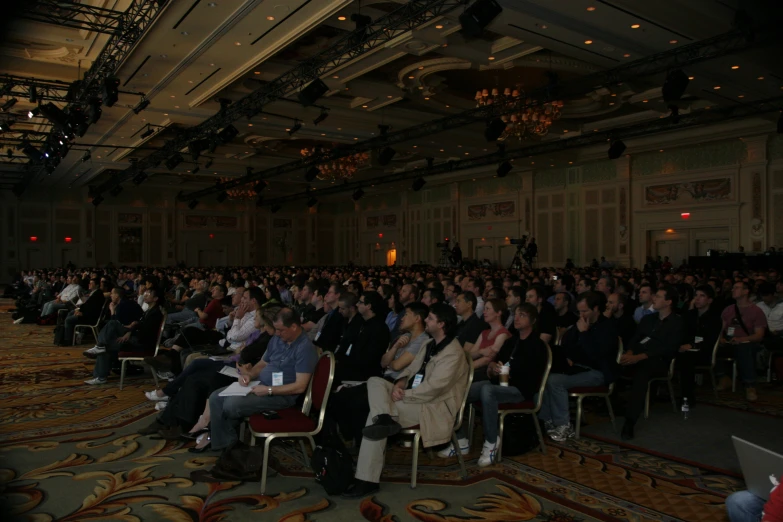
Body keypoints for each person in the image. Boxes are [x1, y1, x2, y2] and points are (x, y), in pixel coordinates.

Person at [342, 303, 469, 498]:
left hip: (433, 407)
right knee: (375, 381)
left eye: (431, 318)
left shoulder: (453, 353)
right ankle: (384, 417)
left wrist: (402, 394)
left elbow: (433, 390)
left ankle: (366, 479)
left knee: (373, 418)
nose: (426, 320)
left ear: (442, 324)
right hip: (412, 397)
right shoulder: (429, 344)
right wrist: (400, 382)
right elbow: (411, 369)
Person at [199, 308, 318, 452]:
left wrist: (268, 390)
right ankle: (224, 445)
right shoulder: (277, 339)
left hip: (281, 395)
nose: (277, 333)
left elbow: (300, 386)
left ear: (294, 326)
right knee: (215, 397)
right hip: (261, 385)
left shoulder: (305, 348)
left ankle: (230, 447)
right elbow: (263, 363)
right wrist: (250, 375)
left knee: (231, 405)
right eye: (276, 329)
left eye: (281, 330)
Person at [539, 292, 619, 441]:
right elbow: (566, 344)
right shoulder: (580, 323)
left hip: (599, 372)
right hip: (579, 368)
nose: (581, 315)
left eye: (584, 311)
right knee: (544, 377)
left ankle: (563, 425)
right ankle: (547, 421)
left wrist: (583, 333)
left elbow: (596, 355)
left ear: (596, 309)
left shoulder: (608, 327)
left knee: (554, 381)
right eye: (579, 311)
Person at [619, 286, 684, 440]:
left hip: (659, 362)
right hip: (637, 357)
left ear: (668, 302)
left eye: (659, 297)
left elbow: (669, 348)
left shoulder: (677, 322)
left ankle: (630, 421)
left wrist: (640, 356)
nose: (654, 299)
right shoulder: (648, 319)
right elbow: (636, 338)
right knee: (616, 363)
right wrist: (629, 352)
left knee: (642, 372)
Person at [83, 287, 165, 385]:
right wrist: (132, 327)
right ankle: (100, 351)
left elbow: (145, 333)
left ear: (155, 298)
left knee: (107, 343)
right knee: (111, 328)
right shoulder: (149, 311)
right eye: (145, 293)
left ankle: (100, 375)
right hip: (136, 336)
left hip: (141, 343)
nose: (145, 295)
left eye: (148, 294)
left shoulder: (155, 313)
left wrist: (130, 332)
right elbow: (140, 324)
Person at [720, 281, 767, 402]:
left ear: (746, 291)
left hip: (748, 342)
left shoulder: (756, 311)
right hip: (730, 341)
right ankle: (723, 377)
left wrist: (742, 339)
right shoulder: (728, 310)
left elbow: (759, 335)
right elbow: (721, 329)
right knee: (716, 347)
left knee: (744, 349)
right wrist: (721, 338)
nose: (732, 290)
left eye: (736, 288)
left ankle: (750, 385)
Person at [677, 285, 722, 406]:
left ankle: (687, 397)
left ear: (710, 300)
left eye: (702, 296)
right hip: (685, 349)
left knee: (686, 359)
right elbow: (682, 333)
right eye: (696, 295)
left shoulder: (715, 318)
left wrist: (691, 345)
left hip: (703, 351)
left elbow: (709, 340)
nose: (697, 299)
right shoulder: (689, 315)